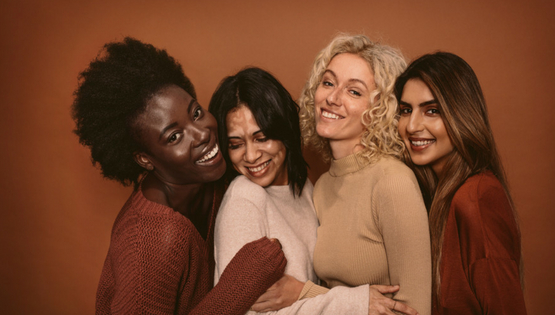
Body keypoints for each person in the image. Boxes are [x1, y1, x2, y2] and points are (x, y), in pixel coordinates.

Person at [71, 37, 287, 315]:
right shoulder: (151, 240)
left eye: (196, 113)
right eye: (174, 136)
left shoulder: (215, 178)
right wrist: (237, 287)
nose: (202, 133)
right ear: (145, 159)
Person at [209, 67, 418, 315]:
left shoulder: (307, 190)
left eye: (262, 138)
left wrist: (331, 297)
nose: (251, 156)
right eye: (236, 144)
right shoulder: (244, 197)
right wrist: (354, 303)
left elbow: (307, 291)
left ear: (283, 130)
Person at [299, 34, 432, 315]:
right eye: (328, 82)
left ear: (380, 109)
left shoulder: (392, 181)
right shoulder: (322, 186)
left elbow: (414, 310)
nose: (332, 98)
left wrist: (302, 294)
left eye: (354, 91)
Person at [394, 52, 526, 315]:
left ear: (461, 115)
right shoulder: (437, 194)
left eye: (432, 111)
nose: (412, 125)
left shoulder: (476, 197)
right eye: (406, 110)